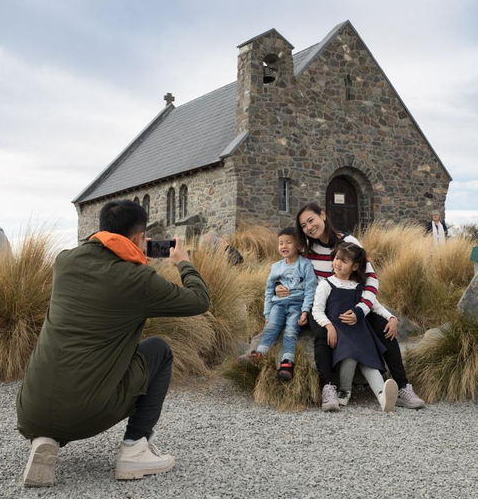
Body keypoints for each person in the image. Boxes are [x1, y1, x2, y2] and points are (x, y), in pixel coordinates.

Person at [16, 200, 210, 487]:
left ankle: (45, 440)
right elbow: (200, 300)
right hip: (86, 412)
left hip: (31, 411)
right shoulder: (139, 279)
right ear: (138, 237)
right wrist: (182, 260)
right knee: (159, 350)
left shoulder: (65, 261)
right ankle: (134, 448)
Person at [281, 202, 425, 411]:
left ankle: (402, 388)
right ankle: (328, 389)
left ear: (323, 215)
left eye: (311, 220)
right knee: (322, 334)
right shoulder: (306, 248)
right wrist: (280, 287)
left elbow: (372, 279)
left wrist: (360, 310)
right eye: (303, 225)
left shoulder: (348, 242)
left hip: (353, 301)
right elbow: (290, 270)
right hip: (320, 303)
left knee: (385, 327)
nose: (309, 227)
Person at [312, 242, 398, 412]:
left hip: (360, 332)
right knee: (350, 356)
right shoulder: (326, 284)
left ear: (355, 266)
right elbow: (317, 310)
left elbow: (375, 306)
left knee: (370, 362)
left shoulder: (359, 287)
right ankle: (345, 391)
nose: (338, 263)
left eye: (344, 261)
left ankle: (383, 397)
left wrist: (392, 317)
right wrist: (328, 326)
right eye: (337, 258)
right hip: (340, 332)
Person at [239, 226, 317, 381]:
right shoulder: (276, 267)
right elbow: (269, 291)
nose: (284, 246)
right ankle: (259, 354)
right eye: (281, 243)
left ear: (299, 245)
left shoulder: (305, 265)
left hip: (297, 305)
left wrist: (305, 311)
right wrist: (267, 313)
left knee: (290, 331)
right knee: (271, 327)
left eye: (289, 242)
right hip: (278, 305)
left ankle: (287, 363)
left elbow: (311, 289)